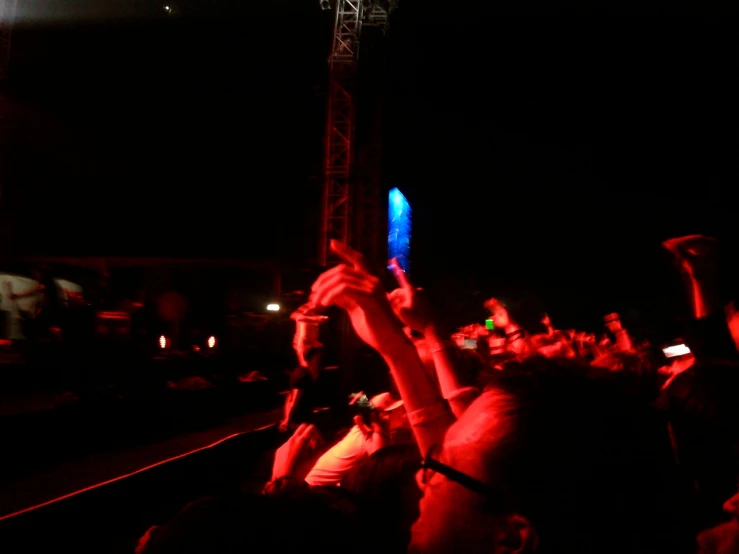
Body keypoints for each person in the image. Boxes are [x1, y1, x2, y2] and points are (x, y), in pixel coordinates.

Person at [304, 392, 405, 487]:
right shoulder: (373, 435)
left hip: (321, 486)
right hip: (315, 490)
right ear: (383, 416)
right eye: (392, 411)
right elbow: (380, 471)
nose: (400, 413)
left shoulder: (365, 429)